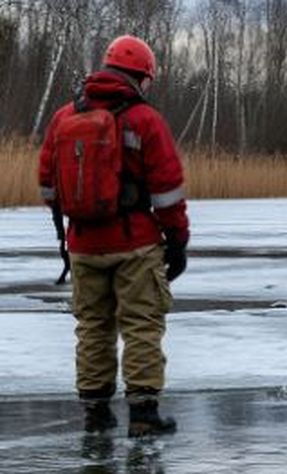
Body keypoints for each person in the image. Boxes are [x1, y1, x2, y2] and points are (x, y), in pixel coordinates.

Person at [38, 35, 190, 438]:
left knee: (92, 327)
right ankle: (143, 416)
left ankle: (95, 414)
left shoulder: (64, 116)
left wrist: (72, 225)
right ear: (141, 76)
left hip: (83, 244)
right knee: (141, 324)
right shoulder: (145, 120)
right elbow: (168, 189)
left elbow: (48, 186)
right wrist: (177, 241)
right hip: (135, 244)